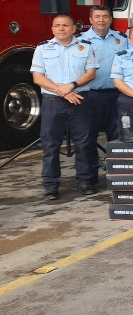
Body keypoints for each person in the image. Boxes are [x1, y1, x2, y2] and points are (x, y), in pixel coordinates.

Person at [31, 14, 99, 199]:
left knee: (84, 143)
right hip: (53, 102)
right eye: (57, 25)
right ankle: (50, 186)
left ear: (73, 28)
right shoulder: (42, 48)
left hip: (79, 100)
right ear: (52, 29)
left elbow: (91, 73)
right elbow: (38, 77)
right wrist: (62, 90)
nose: (61, 28)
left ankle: (85, 181)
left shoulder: (86, 47)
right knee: (50, 145)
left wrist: (72, 86)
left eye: (65, 25)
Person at [81, 5, 124, 175]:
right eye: (97, 17)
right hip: (91, 95)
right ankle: (90, 177)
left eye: (105, 16)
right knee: (88, 137)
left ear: (110, 19)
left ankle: (117, 175)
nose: (101, 20)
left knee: (118, 135)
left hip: (117, 94)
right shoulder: (81, 41)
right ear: (90, 20)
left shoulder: (121, 39)